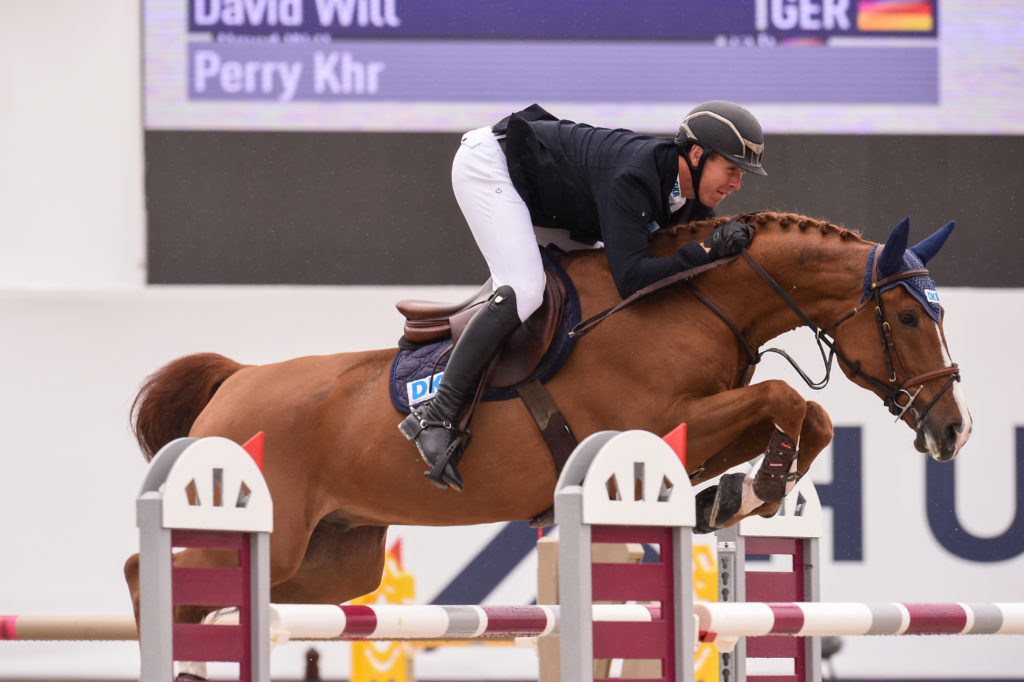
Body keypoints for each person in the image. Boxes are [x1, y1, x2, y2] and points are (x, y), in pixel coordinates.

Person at [399, 100, 767, 491]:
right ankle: (435, 413)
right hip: (492, 167)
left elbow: (675, 276)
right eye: (731, 169)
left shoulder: (692, 195)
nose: (736, 184)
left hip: (553, 201)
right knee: (526, 290)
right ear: (697, 154)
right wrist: (708, 251)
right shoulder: (635, 177)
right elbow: (635, 280)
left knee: (590, 295)